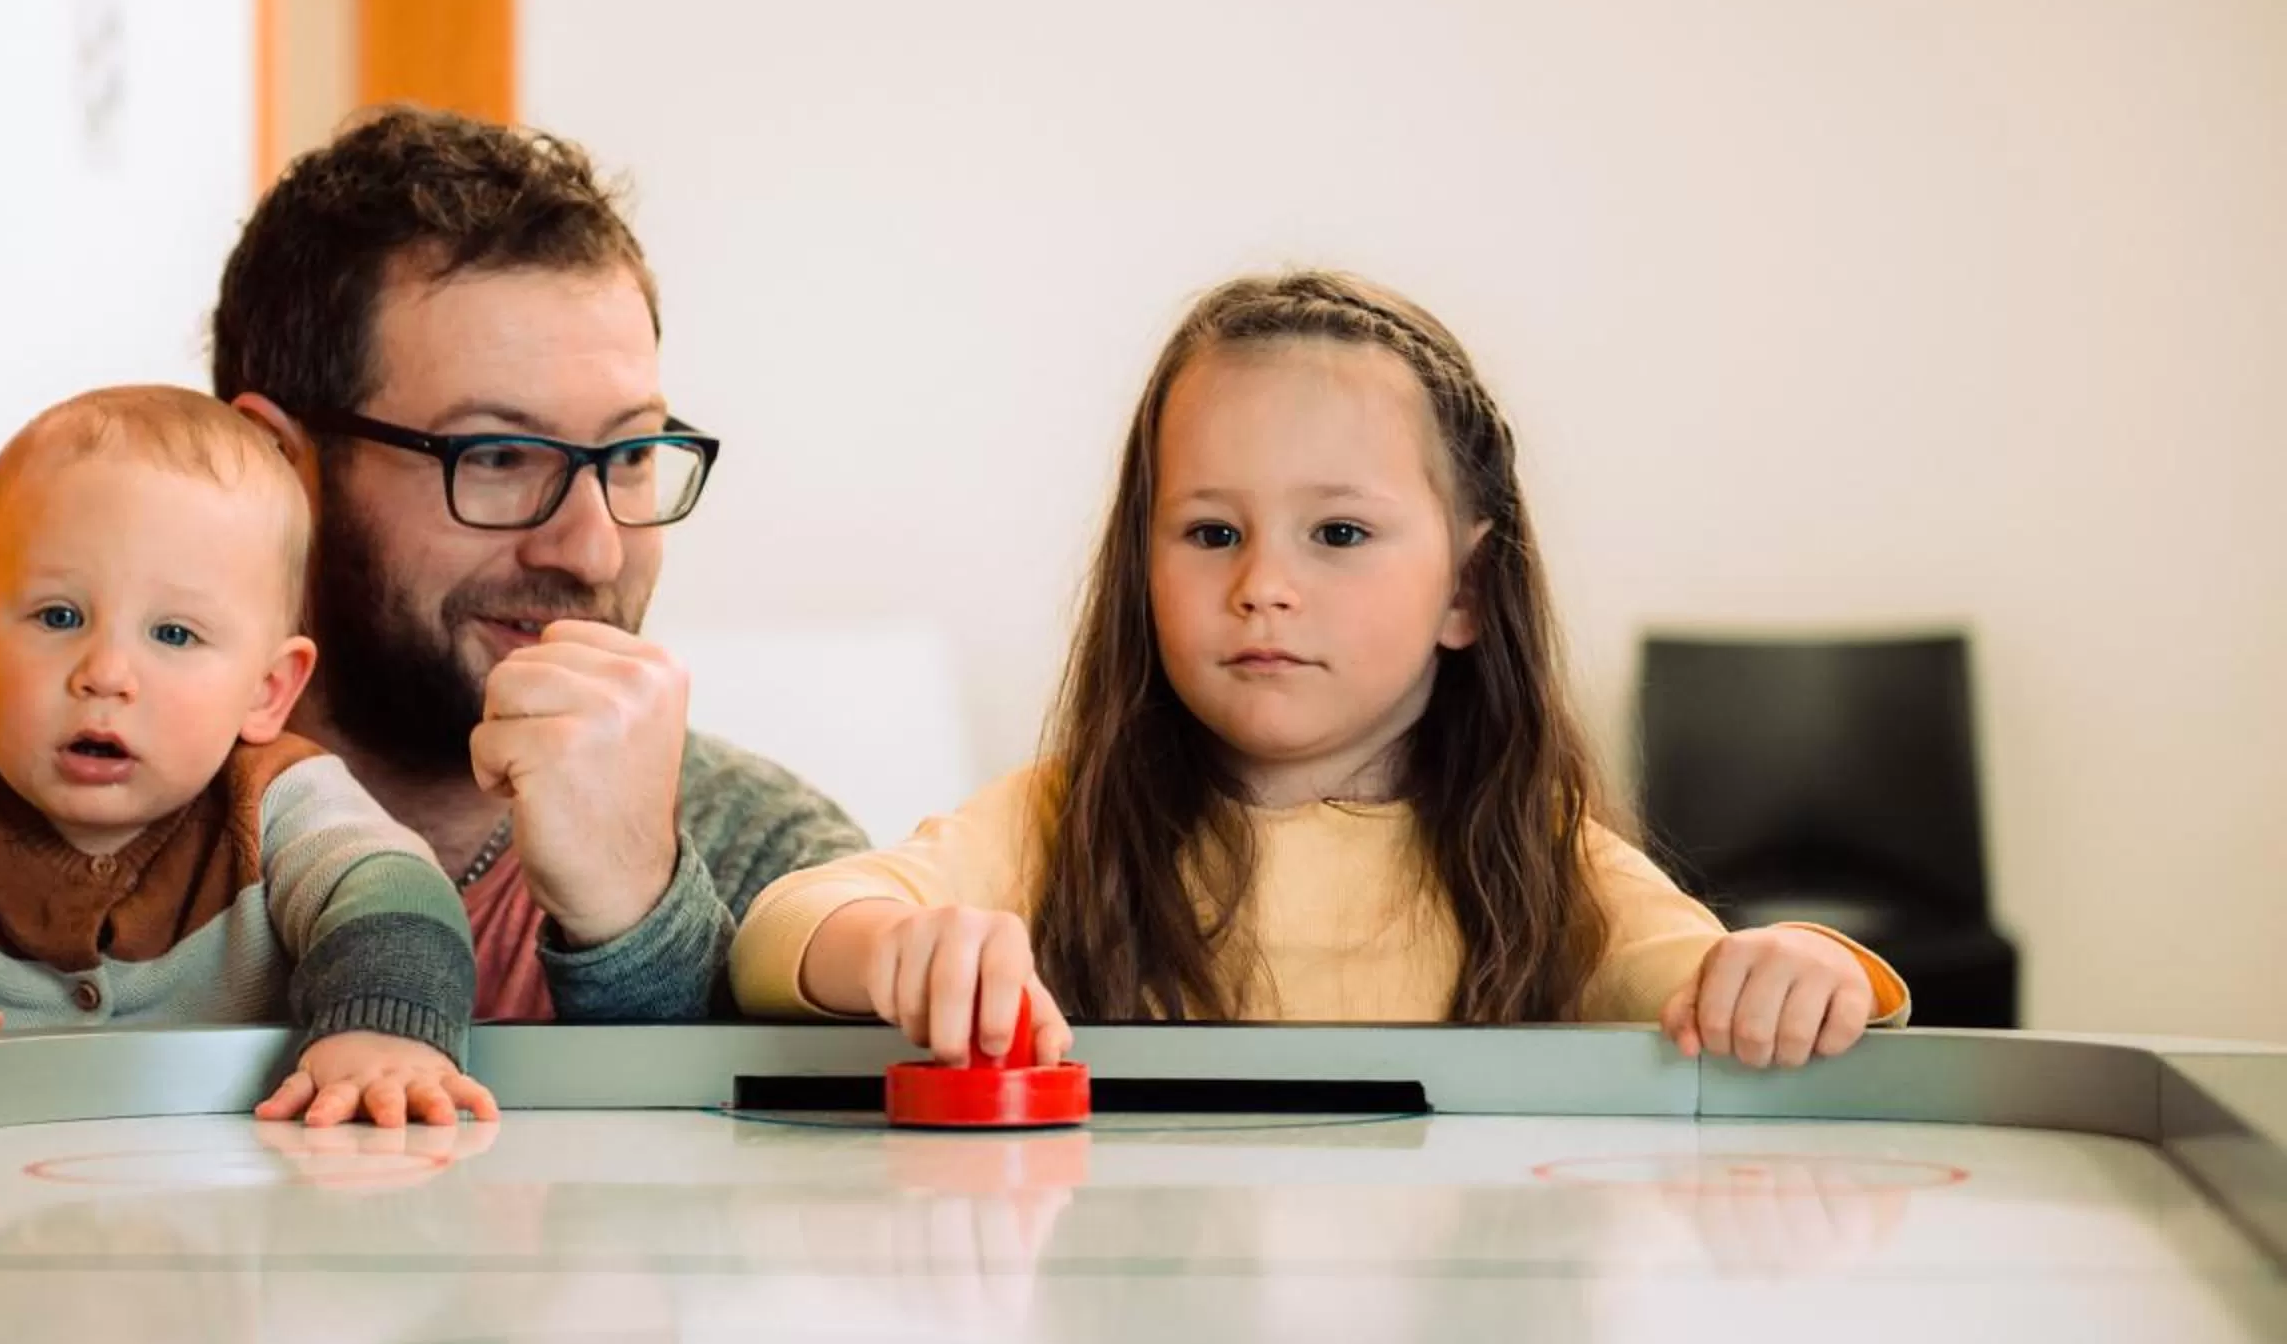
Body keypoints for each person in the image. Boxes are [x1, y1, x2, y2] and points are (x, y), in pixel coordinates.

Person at [0, 108, 866, 1065]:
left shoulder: (744, 834)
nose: (590, 543)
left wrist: (637, 922)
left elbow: (827, 1202)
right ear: (281, 457)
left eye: (631, 453)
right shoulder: (10, 720)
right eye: (500, 455)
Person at [731, 271, 1908, 1069]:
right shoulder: (1059, 823)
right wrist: (893, 950)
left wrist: (1794, 967)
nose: (1264, 585)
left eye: (1337, 534)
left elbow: (1711, 975)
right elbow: (786, 925)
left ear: (1467, 591)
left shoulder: (1536, 858)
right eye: (1210, 531)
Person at [0, 386, 494, 1128]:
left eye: (174, 634)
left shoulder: (285, 804)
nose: (106, 674)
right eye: (58, 615)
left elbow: (397, 898)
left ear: (266, 689)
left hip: (230, 1222)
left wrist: (381, 1038)